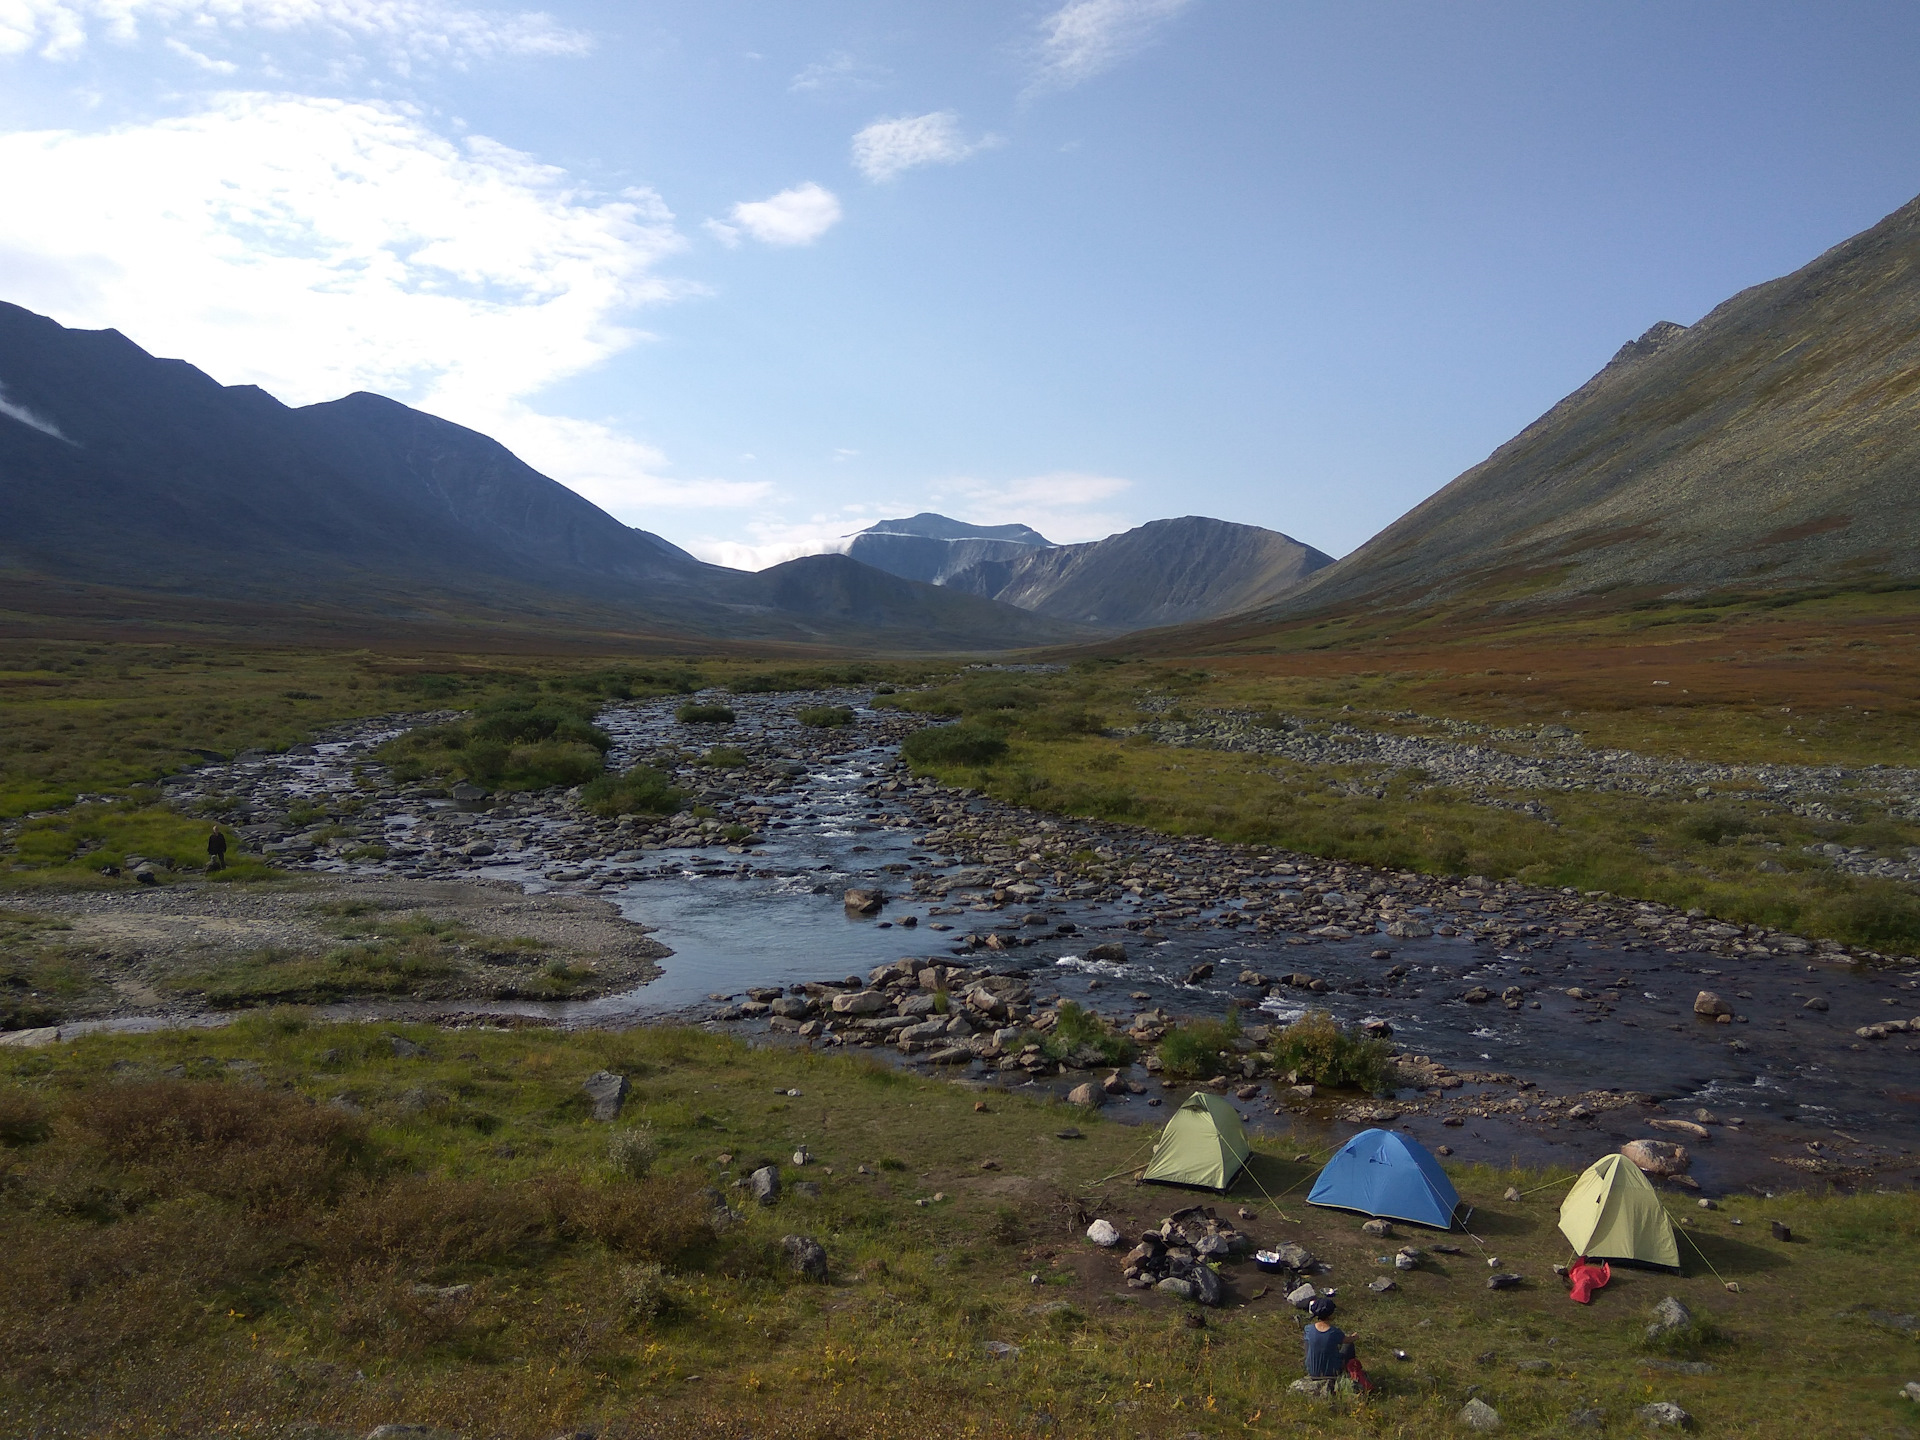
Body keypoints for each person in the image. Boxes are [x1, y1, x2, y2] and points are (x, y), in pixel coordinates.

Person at [1303, 1296, 1355, 1382]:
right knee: (1349, 1345)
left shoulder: (1308, 1329)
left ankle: (1310, 1364)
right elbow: (1347, 1340)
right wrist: (1354, 1337)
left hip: (1312, 1372)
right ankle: (1348, 1373)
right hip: (1331, 1373)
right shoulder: (1334, 1332)